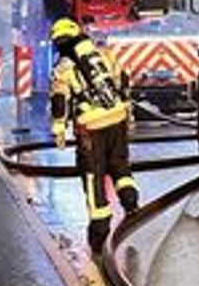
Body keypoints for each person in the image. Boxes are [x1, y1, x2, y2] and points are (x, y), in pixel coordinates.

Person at [49, 17, 139, 253]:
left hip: (91, 127)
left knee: (92, 173)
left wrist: (59, 128)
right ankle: (130, 200)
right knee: (120, 164)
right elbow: (123, 79)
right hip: (117, 117)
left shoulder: (63, 67)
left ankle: (99, 227)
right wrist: (127, 112)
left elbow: (60, 99)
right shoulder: (104, 54)